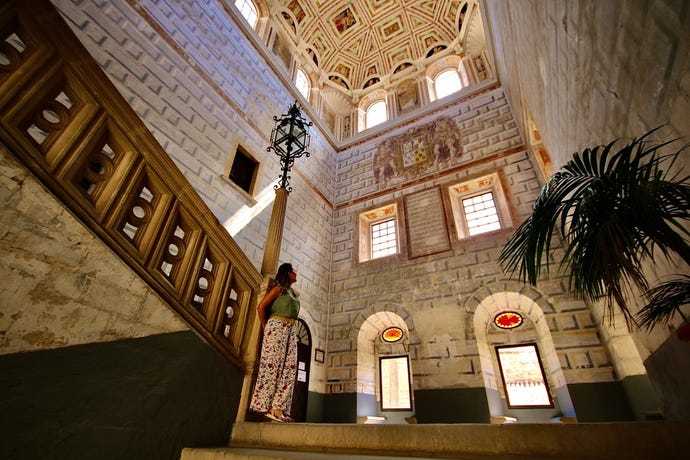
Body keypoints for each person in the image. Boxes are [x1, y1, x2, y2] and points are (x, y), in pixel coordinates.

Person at [249, 263, 300, 422]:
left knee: (289, 368)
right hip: (276, 327)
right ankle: (266, 406)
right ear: (287, 274)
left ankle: (278, 408)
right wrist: (266, 329)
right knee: (272, 367)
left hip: (291, 330)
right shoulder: (278, 289)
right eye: (293, 271)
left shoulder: (293, 293)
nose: (295, 273)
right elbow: (261, 307)